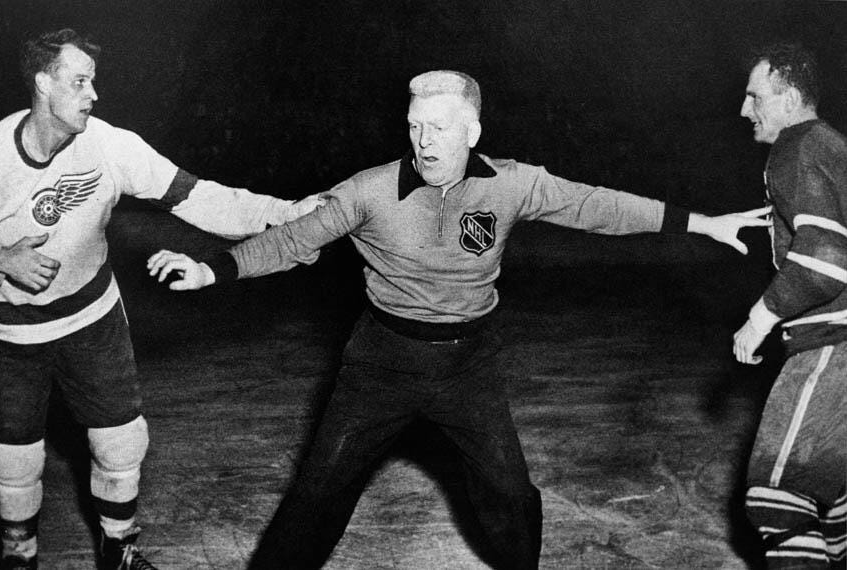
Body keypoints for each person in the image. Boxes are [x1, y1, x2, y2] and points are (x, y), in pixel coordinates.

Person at [149, 69, 771, 569]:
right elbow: (292, 239)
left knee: (509, 494)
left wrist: (701, 222)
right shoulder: (368, 191)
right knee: (317, 494)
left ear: (472, 130)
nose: (424, 141)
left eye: (440, 128)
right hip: (380, 365)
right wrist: (213, 271)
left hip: (467, 366)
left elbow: (594, 205)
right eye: (416, 125)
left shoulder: (511, 185)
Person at [0, 29, 322, 570]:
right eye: (80, 81)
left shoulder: (110, 145)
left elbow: (200, 198)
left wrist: (287, 211)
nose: (94, 95)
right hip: (11, 335)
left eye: (94, 81)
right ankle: (19, 558)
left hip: (92, 321)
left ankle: (121, 550)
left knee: (121, 444)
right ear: (44, 83)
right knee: (12, 464)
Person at [733, 42, 846, 569]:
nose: (744, 109)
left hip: (832, 348)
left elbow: (824, 261)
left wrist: (758, 320)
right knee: (836, 504)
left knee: (775, 497)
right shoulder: (833, 146)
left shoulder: (796, 146)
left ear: (789, 94)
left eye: (756, 96)